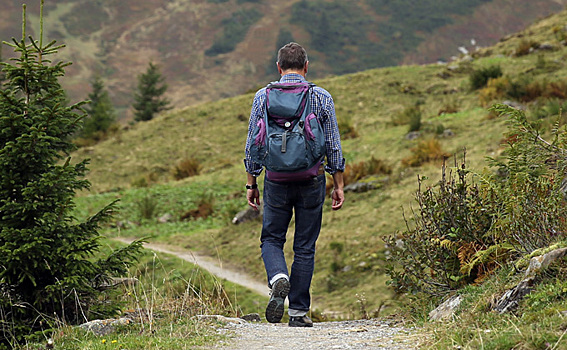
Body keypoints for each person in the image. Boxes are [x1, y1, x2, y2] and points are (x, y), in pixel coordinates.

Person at [243, 42, 345, 327]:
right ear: (306, 66)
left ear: (278, 68)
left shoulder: (262, 96)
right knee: (305, 245)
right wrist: (338, 183)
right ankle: (298, 312)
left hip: (275, 180)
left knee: (272, 238)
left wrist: (252, 182)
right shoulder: (321, 97)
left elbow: (253, 142)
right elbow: (333, 145)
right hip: (312, 179)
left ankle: (278, 277)